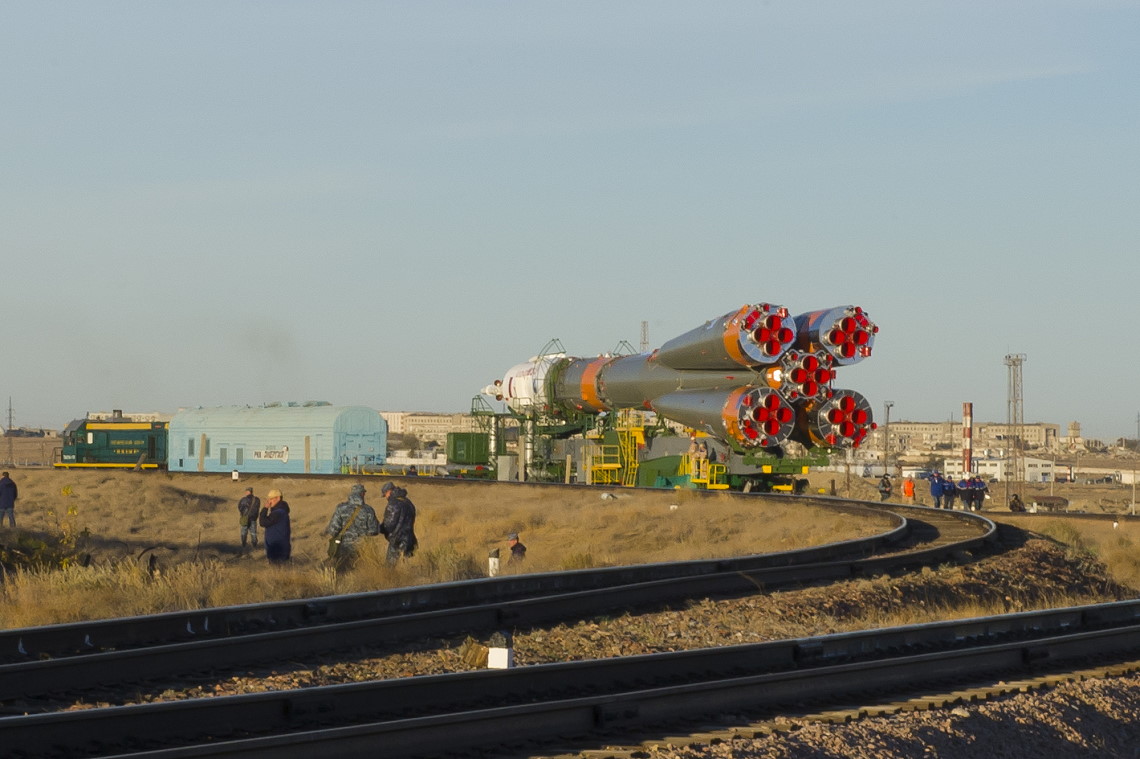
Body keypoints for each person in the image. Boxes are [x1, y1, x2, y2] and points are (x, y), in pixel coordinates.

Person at [324, 483, 381, 569]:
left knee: (342, 570)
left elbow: (333, 530)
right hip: (362, 549)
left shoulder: (341, 508)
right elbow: (374, 531)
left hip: (343, 548)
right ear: (362, 494)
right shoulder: (368, 510)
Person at [380, 481, 418, 565]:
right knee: (407, 565)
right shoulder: (408, 502)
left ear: (389, 491)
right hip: (410, 539)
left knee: (390, 567)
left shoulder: (393, 504)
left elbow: (389, 525)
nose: (386, 497)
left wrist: (379, 528)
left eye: (385, 495)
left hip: (397, 540)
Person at [258, 489, 292, 564]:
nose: (269, 501)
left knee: (277, 568)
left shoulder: (278, 513)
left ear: (278, 498)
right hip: (279, 547)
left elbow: (263, 522)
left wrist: (265, 509)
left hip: (277, 549)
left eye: (271, 499)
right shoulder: (281, 511)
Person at [237, 487, 260, 551]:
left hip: (245, 518)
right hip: (253, 519)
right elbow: (257, 509)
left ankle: (244, 544)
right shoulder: (257, 499)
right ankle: (254, 545)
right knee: (253, 532)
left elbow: (240, 507)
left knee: (243, 532)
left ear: (247, 492)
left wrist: (243, 514)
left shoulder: (243, 499)